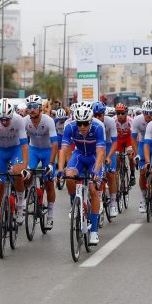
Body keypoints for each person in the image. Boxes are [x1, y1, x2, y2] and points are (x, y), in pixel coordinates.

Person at [57, 103, 105, 245]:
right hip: (79, 156)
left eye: (85, 123)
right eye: (80, 124)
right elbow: (64, 149)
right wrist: (60, 170)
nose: (82, 127)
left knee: (93, 189)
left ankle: (94, 231)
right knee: (70, 176)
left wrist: (96, 171)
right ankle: (75, 203)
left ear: (90, 121)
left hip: (94, 158)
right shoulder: (70, 127)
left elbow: (101, 152)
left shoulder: (98, 127)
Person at [0, 99, 28, 238]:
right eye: (2, 119)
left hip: (15, 149)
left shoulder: (19, 120)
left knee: (17, 173)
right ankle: (0, 220)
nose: (5, 122)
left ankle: (20, 205)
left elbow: (25, 146)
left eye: (7, 119)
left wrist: (24, 167)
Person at [23, 94, 58, 228]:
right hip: (33, 150)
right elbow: (20, 141)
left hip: (47, 151)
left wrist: (50, 163)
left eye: (35, 107)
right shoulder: (25, 121)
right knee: (26, 173)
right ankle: (31, 192)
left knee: (49, 183)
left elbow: (55, 143)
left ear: (40, 108)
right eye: (29, 107)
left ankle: (50, 214)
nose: (32, 109)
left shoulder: (48, 121)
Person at [131, 100, 152, 213]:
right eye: (146, 112)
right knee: (142, 171)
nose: (148, 115)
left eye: (151, 113)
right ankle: (143, 198)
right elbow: (133, 138)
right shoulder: (137, 120)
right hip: (142, 144)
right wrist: (136, 154)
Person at [115, 103, 136, 186]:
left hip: (128, 139)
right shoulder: (113, 120)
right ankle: (116, 174)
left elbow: (134, 135)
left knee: (130, 156)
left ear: (126, 113)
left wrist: (134, 149)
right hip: (118, 140)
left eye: (122, 113)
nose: (120, 115)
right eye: (118, 113)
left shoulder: (130, 121)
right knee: (117, 159)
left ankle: (132, 175)